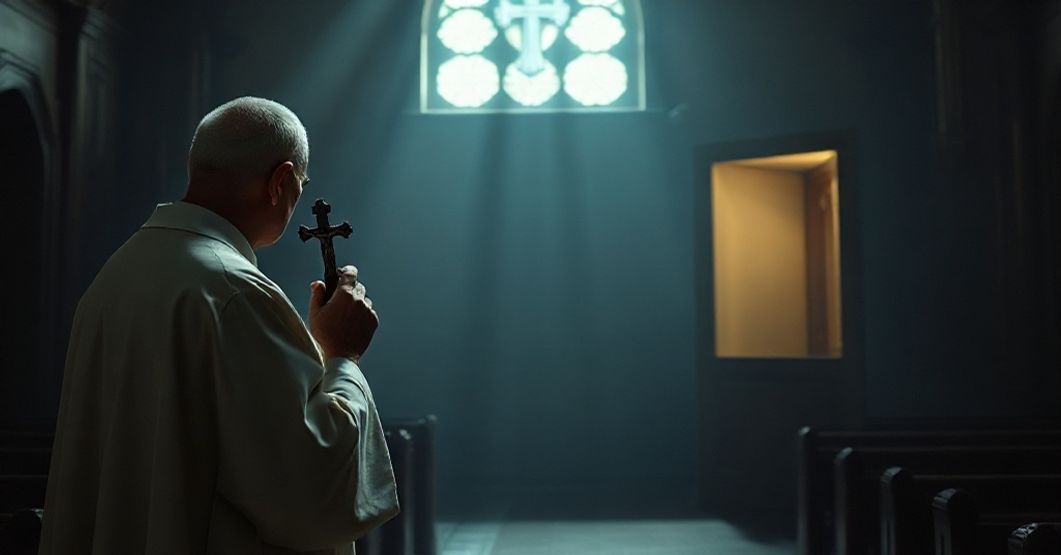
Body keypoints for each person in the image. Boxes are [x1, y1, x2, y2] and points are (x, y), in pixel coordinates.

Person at [39, 97, 398, 554]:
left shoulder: (120, 271)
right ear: (281, 181)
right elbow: (308, 492)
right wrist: (341, 355)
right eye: (300, 187)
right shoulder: (233, 291)